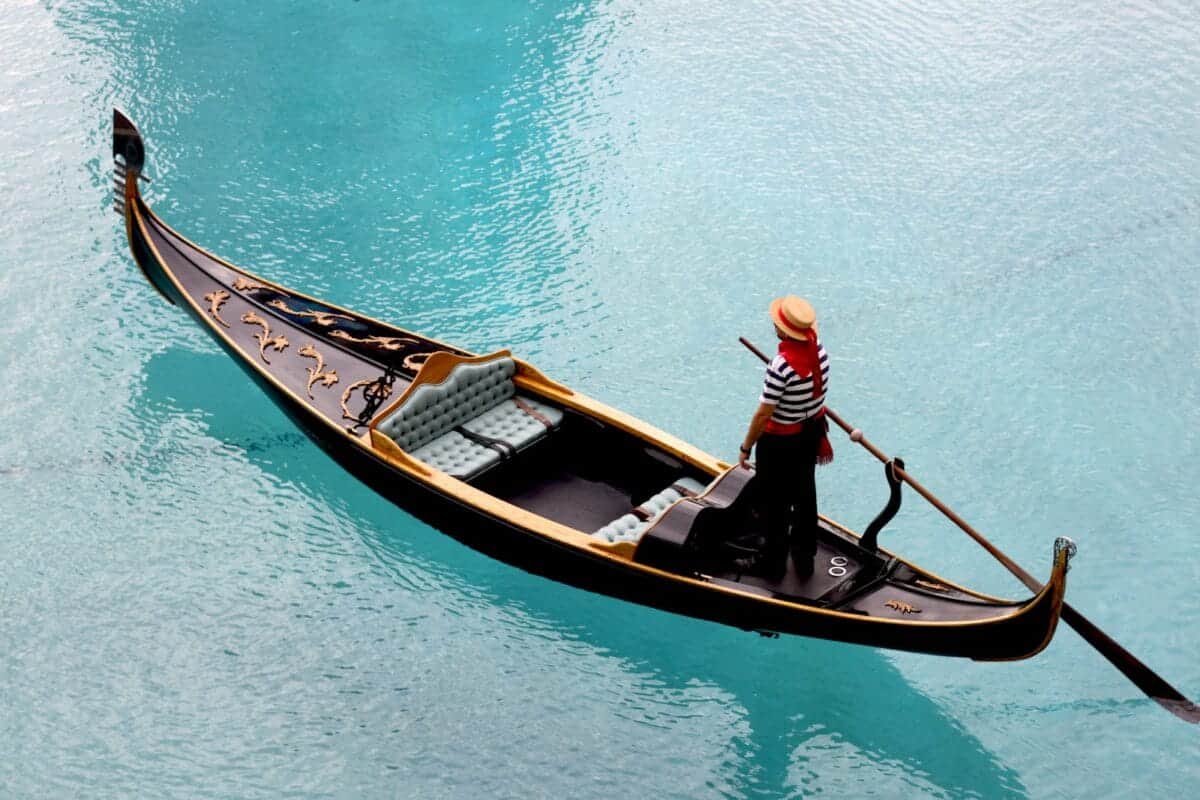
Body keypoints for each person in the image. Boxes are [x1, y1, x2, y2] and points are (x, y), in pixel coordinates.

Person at [736, 295, 832, 580]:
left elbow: (763, 414)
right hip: (810, 434)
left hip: (780, 443)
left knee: (774, 503)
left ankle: (772, 565)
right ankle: (805, 553)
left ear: (783, 331)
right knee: (804, 493)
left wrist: (745, 447)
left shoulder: (780, 367)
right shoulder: (821, 353)